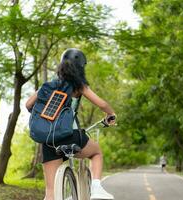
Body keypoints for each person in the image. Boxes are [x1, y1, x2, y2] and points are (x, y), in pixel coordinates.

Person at [26, 48, 116, 200]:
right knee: (96, 152)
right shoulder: (78, 86)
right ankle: (96, 190)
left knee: (50, 191)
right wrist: (111, 114)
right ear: (81, 67)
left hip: (49, 141)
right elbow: (102, 103)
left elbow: (28, 105)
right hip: (70, 135)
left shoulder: (47, 86)